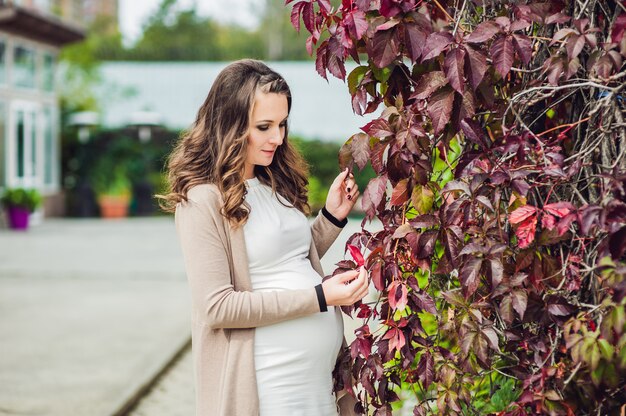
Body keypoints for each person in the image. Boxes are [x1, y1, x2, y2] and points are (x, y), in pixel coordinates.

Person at [157, 59, 368, 416]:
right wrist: (320, 297)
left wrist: (331, 217)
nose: (278, 138)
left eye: (282, 124)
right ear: (230, 124)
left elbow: (286, 259)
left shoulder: (273, 182)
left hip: (315, 380)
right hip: (267, 384)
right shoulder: (202, 199)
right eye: (264, 126)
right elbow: (218, 307)